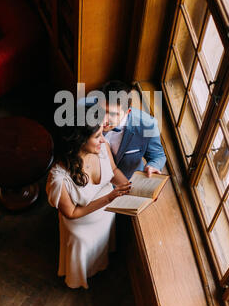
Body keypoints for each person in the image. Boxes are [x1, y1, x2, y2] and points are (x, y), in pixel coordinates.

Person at [46, 109, 131, 289]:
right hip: (82, 227)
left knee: (103, 246)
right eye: (98, 135)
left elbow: (114, 171)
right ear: (80, 140)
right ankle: (78, 277)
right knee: (85, 248)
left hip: (106, 216)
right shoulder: (59, 179)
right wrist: (108, 199)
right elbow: (71, 213)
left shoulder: (102, 147)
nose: (103, 139)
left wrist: (131, 188)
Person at [98, 80, 166, 180]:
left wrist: (153, 166)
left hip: (127, 182)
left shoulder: (147, 125)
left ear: (127, 112)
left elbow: (158, 156)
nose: (103, 120)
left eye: (112, 114)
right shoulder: (84, 110)